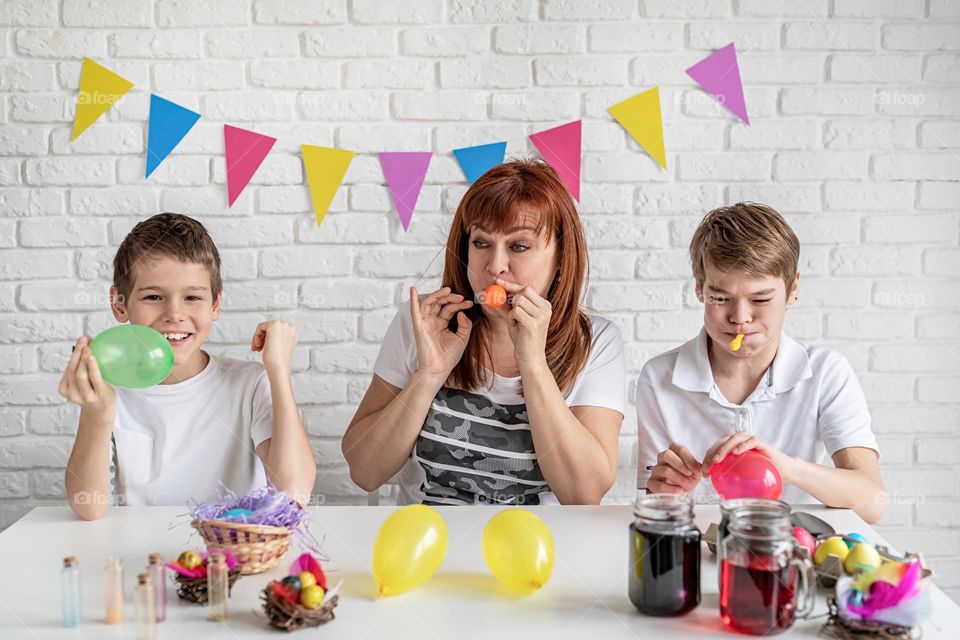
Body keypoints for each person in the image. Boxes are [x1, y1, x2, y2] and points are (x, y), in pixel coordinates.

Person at [342, 159, 626, 505]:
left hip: (543, 552)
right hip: (429, 547)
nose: (495, 266)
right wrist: (429, 374)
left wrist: (533, 362)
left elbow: (584, 495)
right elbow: (364, 471)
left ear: (561, 257)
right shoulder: (423, 322)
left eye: (519, 246)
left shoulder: (595, 342)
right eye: (481, 243)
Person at [60, 213, 315, 519]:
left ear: (215, 305)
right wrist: (97, 412)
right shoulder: (109, 392)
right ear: (119, 304)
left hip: (233, 553)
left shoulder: (249, 384)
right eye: (154, 296)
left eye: (192, 297)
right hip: (145, 555)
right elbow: (88, 507)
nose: (175, 314)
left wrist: (278, 369)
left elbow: (294, 494)